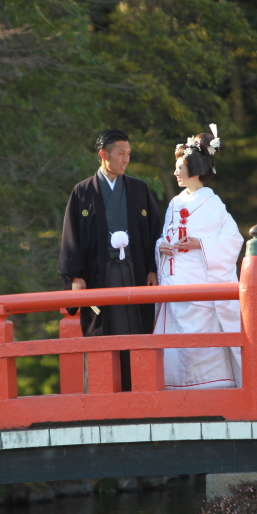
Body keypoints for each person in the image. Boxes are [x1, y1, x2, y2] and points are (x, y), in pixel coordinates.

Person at [58, 129, 161, 391]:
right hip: (99, 274)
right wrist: (76, 276)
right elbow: (71, 236)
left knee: (136, 326)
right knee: (105, 329)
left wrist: (152, 268)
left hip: (135, 272)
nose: (126, 159)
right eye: (120, 153)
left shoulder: (138, 189)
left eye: (128, 154)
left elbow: (153, 231)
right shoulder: (82, 191)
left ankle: (139, 388)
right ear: (103, 155)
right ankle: (106, 390)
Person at [154, 125, 244, 390]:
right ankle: (173, 386)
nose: (175, 173)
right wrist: (161, 245)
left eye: (179, 168)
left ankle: (212, 386)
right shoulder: (174, 203)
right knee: (175, 342)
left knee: (202, 337)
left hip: (201, 284)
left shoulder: (213, 205)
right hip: (172, 283)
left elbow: (233, 240)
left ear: (193, 170)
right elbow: (165, 235)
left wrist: (200, 244)